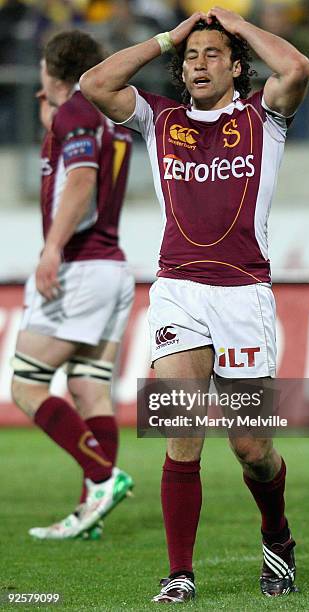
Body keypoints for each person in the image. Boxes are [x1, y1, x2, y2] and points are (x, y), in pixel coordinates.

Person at [80, 6, 309, 600]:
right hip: (177, 290)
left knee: (251, 447)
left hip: (244, 295)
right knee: (180, 430)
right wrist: (168, 37)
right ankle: (180, 574)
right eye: (191, 57)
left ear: (237, 67)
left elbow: (297, 65)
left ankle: (277, 534)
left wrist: (238, 23)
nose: (198, 63)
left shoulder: (265, 116)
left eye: (212, 54)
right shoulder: (160, 119)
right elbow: (94, 84)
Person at [11, 29, 134, 540]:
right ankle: (92, 513)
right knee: (88, 389)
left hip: (81, 267)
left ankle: (103, 479)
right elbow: (78, 167)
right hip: (112, 267)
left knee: (26, 384)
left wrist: (52, 248)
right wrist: (52, 125)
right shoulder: (101, 116)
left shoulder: (76, 114)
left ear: (49, 69)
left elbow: (82, 181)